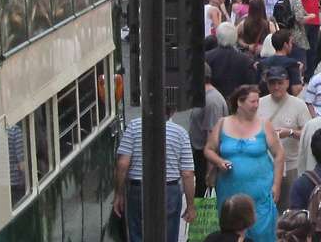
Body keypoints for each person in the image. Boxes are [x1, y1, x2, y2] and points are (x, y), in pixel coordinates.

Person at [205, 85, 284, 242]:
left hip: (259, 191)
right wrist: (219, 161)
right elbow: (208, 149)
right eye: (252, 102)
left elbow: (279, 154)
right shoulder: (222, 123)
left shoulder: (264, 125)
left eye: (257, 102)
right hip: (229, 191)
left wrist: (277, 184)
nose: (256, 105)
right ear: (240, 103)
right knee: (230, 234)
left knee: (262, 233)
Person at [114, 105, 197, 242]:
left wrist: (119, 194)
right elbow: (187, 173)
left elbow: (122, 164)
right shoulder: (180, 133)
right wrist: (190, 205)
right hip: (169, 191)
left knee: (138, 233)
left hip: (138, 189)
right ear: (173, 111)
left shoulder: (134, 126)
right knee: (168, 235)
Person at [259, 67, 311, 189]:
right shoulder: (259, 103)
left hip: (291, 165)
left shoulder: (299, 105)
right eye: (272, 83)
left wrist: (290, 132)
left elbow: (309, 134)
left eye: (280, 83)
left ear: (287, 83)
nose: (276, 87)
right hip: (264, 164)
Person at [192, 64, 228, 198]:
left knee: (203, 200)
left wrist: (210, 172)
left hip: (205, 159)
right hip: (201, 156)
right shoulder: (206, 98)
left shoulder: (211, 101)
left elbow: (212, 137)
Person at [208, 23, 260, 101]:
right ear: (235, 37)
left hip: (213, 100)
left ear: (217, 36)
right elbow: (251, 85)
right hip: (237, 102)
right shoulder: (245, 60)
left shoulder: (208, 57)